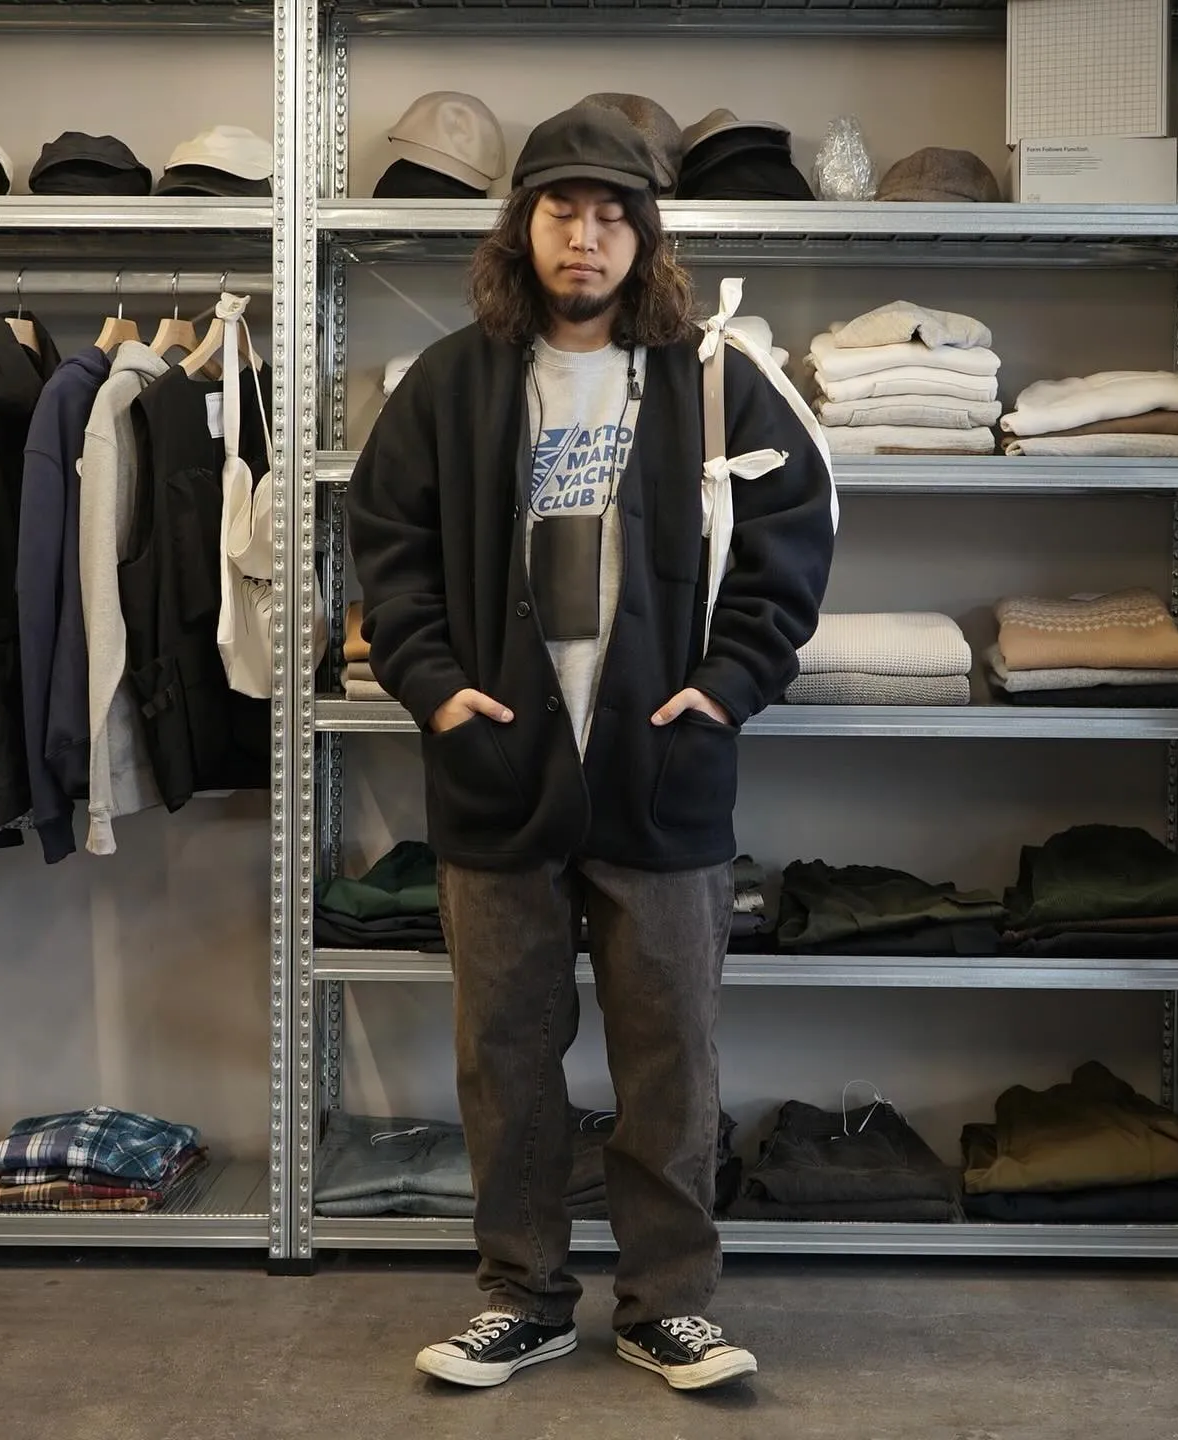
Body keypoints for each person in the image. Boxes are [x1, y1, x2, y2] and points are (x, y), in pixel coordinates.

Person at [346, 103, 835, 1392]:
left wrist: (727, 688)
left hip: (664, 773)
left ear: (646, 236)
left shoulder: (713, 379)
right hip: (498, 770)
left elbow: (793, 543)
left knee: (670, 1053)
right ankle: (523, 1297)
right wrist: (436, 690)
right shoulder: (447, 384)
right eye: (562, 210)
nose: (586, 235)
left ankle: (668, 1303)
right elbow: (387, 551)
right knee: (504, 1057)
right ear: (523, 227)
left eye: (613, 214)